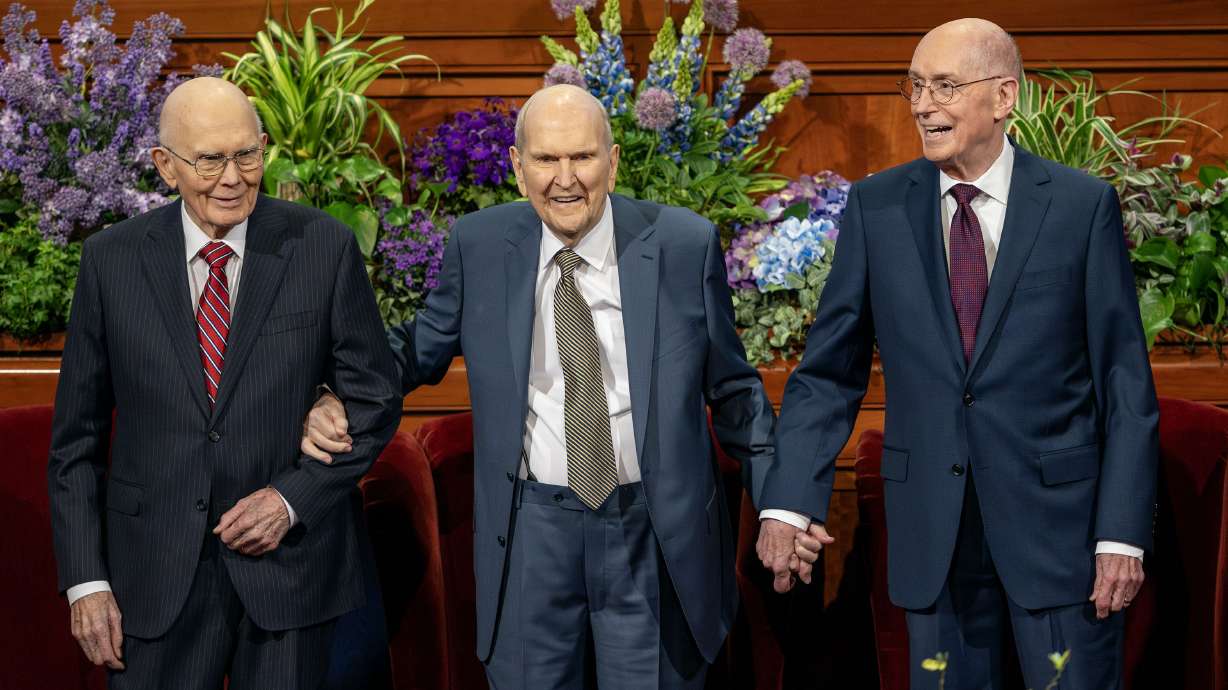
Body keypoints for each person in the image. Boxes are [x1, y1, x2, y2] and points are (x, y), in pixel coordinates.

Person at [304, 84, 777, 689]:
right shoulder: (479, 245)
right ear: (517, 166)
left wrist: (782, 504)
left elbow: (734, 390)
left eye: (581, 157)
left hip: (651, 529)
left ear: (612, 160)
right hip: (530, 532)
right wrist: (330, 391)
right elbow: (414, 349)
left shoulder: (683, 245)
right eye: (547, 160)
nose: (565, 178)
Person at [754, 18, 1159, 688]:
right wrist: (788, 502)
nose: (922, 105)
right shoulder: (878, 208)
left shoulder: (1081, 208)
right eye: (915, 86)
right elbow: (828, 375)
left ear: (1003, 97)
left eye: (944, 86)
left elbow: (1124, 384)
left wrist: (1120, 535)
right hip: (932, 541)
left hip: (1059, 540)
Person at [47, 77, 402, 689]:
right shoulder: (111, 261)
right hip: (152, 575)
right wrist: (87, 580)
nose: (234, 177)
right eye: (211, 160)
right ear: (166, 166)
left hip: (290, 572)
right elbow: (74, 444)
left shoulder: (323, 246)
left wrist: (291, 498)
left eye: (248, 154)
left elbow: (374, 398)